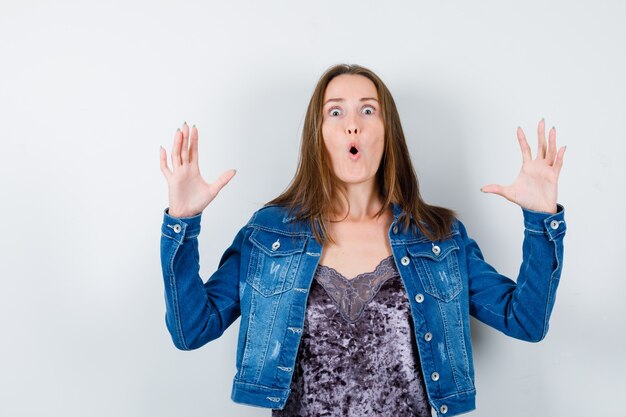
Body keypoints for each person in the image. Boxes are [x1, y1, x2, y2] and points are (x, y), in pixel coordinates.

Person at [158, 64, 567, 417]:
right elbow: (192, 329)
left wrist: (540, 221)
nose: (352, 123)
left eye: (367, 110)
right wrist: (183, 222)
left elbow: (525, 321)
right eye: (335, 112)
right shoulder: (268, 234)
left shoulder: (438, 238)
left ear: (387, 132)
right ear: (318, 134)